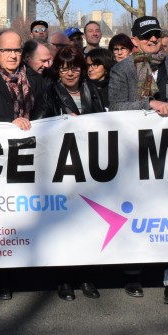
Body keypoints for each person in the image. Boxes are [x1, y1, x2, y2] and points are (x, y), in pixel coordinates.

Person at [108, 16, 168, 309]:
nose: (154, 41)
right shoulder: (122, 70)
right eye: (147, 38)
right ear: (135, 42)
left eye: (157, 36)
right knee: (136, 214)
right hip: (135, 155)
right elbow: (116, 106)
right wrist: (149, 104)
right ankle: (134, 273)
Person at [0, 28, 54, 299]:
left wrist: (31, 124)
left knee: (28, 214)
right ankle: (0, 277)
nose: (12, 55)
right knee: (0, 219)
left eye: (17, 50)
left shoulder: (38, 80)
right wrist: (9, 125)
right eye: (7, 50)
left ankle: (31, 270)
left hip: (31, 156)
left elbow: (46, 108)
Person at [49, 45, 105, 302]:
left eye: (74, 68)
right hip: (62, 167)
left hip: (90, 165)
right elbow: (41, 121)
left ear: (82, 69)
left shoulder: (92, 89)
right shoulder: (50, 92)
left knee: (88, 224)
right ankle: (63, 279)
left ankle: (86, 276)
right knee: (64, 225)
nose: (69, 73)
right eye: (63, 68)